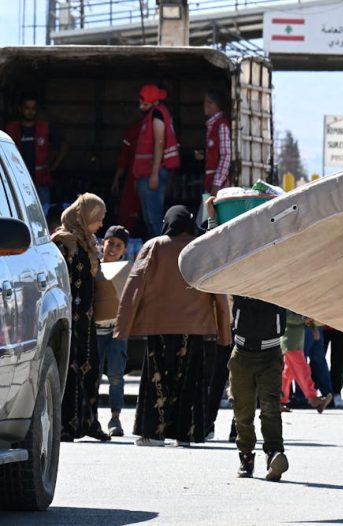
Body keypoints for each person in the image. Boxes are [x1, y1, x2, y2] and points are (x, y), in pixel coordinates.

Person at [115, 205, 231, 447]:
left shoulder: (155, 246)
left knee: (157, 379)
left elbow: (134, 285)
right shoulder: (201, 248)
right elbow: (217, 291)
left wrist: (122, 326)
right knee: (189, 380)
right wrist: (224, 331)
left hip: (158, 327)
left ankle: (154, 433)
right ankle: (186, 434)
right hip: (195, 329)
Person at [52, 193, 110, 442]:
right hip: (68, 317)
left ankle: (89, 422)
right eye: (97, 219)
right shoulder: (62, 242)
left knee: (90, 367)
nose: (100, 224)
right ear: (83, 217)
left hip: (85, 320)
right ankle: (67, 425)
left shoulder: (88, 241)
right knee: (70, 369)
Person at [226, 294, 290, 480]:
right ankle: (246, 456)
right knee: (242, 409)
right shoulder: (240, 273)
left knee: (270, 407)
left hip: (270, 353)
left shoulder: (275, 274)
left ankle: (274, 453)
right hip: (242, 352)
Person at [132, 84, 180, 238]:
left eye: (144, 104)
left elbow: (159, 142)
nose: (141, 106)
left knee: (154, 218)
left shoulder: (157, 114)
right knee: (149, 218)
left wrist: (154, 174)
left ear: (153, 102)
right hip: (145, 173)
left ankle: (160, 251)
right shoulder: (153, 113)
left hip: (152, 173)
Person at [5, 93, 67, 210]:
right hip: (17, 181)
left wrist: (54, 165)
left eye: (33, 109)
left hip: (41, 181)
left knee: (42, 213)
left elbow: (63, 146)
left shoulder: (45, 128)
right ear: (20, 109)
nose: (30, 112)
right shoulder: (11, 128)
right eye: (27, 108)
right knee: (18, 212)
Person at [97, 225, 130, 437]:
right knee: (93, 375)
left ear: (124, 250)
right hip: (96, 330)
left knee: (116, 374)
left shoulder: (126, 271)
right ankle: (91, 417)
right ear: (103, 243)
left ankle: (115, 417)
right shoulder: (93, 267)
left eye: (118, 246)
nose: (113, 248)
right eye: (110, 243)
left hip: (117, 331)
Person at [280, 310, 331, 412]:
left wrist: (313, 328)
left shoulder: (297, 299)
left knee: (287, 375)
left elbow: (305, 317)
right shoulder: (287, 300)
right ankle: (313, 399)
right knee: (303, 371)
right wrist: (304, 320)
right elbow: (287, 316)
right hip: (290, 342)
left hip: (295, 342)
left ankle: (278, 401)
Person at [195, 91, 231, 196]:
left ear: (217, 105)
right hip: (211, 182)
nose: (205, 105)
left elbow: (226, 155)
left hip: (219, 185)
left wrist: (217, 183)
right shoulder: (212, 125)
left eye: (209, 102)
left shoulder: (221, 125)